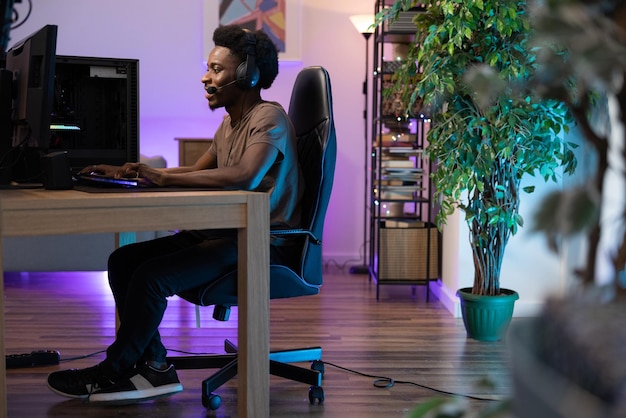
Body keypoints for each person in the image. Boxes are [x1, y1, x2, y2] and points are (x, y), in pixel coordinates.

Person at [46, 24, 303, 404]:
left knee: (151, 278)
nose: (206, 76)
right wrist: (132, 170)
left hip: (259, 241)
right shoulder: (230, 123)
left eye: (216, 69)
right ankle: (155, 367)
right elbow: (198, 170)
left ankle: (116, 369)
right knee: (123, 261)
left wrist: (162, 176)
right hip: (224, 232)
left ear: (248, 75)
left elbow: (246, 176)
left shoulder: (269, 118)